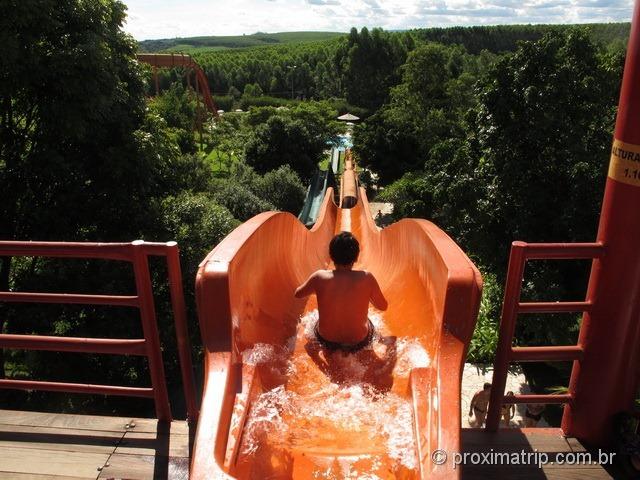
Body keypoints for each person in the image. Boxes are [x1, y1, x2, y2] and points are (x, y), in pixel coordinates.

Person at [294, 231, 388, 352]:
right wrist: (367, 296)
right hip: (359, 341)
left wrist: (318, 289)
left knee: (313, 322)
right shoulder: (366, 278)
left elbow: (298, 294)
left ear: (331, 255)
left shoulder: (319, 277)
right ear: (356, 256)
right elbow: (383, 306)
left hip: (326, 340)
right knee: (369, 320)